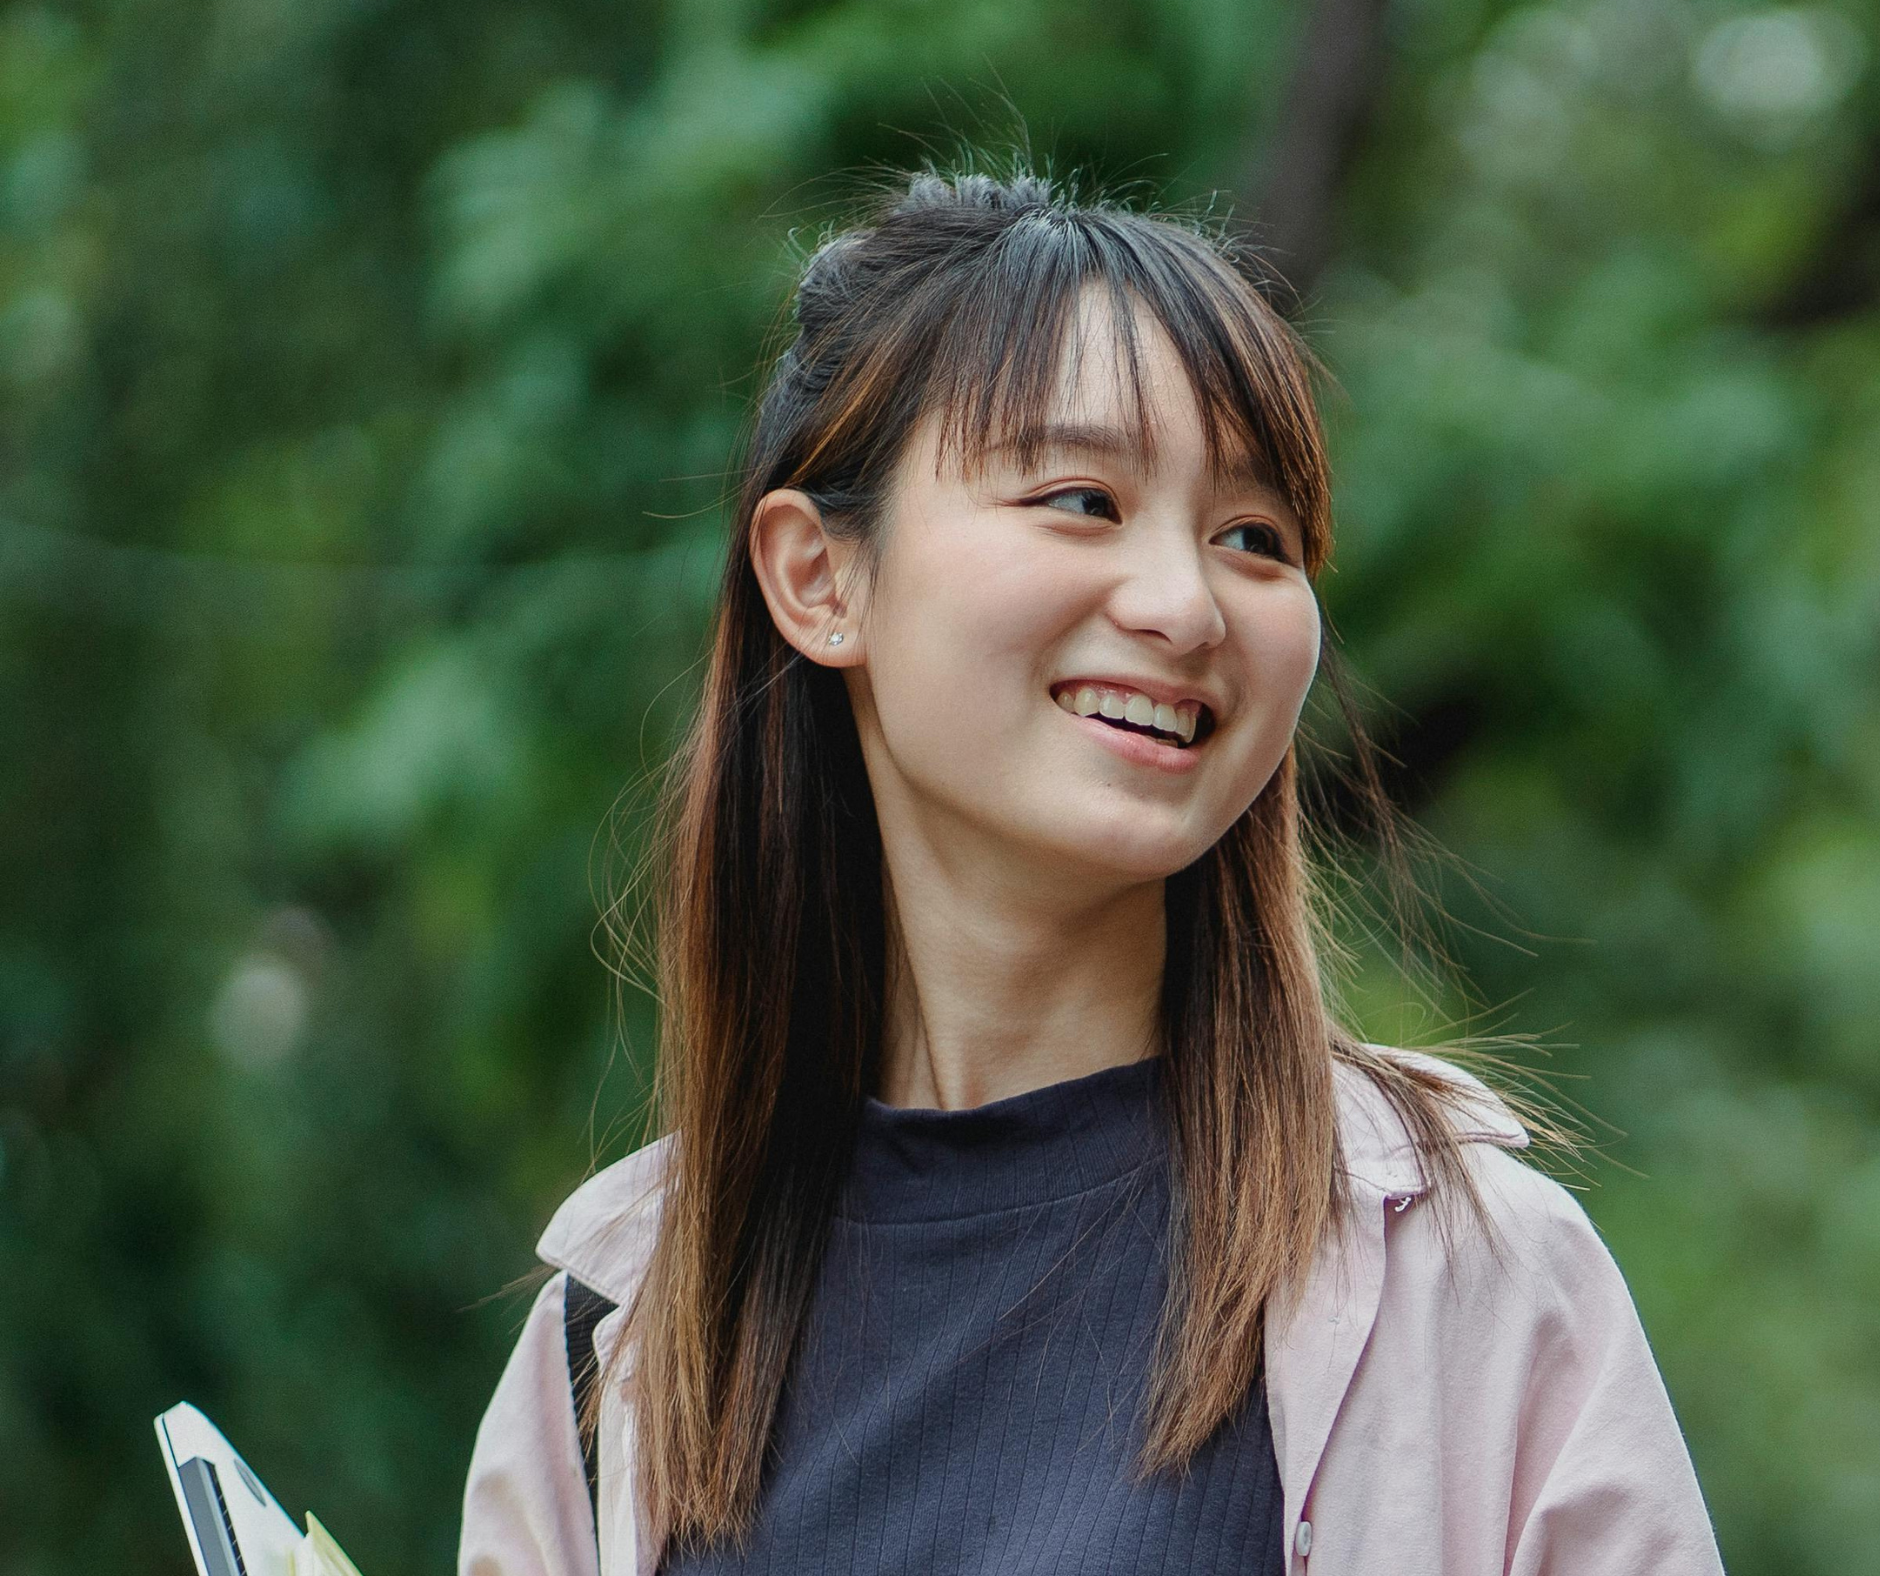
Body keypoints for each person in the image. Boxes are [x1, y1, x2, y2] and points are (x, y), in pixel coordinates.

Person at [457, 167, 1726, 1576]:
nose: (1184, 606)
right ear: (820, 577)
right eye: (1080, 498)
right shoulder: (619, 1336)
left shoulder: (1462, 1272)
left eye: (1255, 538)